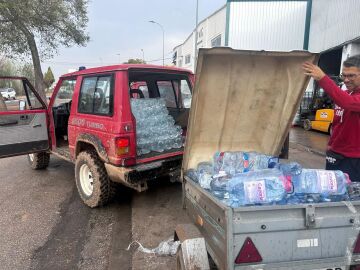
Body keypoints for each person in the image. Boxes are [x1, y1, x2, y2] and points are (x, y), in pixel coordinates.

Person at [302, 55, 360, 182]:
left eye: (351, 76)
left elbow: (348, 103)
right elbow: (337, 124)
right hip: (335, 154)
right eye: (344, 75)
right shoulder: (345, 94)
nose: (346, 80)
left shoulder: (349, 98)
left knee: (350, 198)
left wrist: (323, 78)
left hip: (353, 159)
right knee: (333, 192)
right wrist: (331, 146)